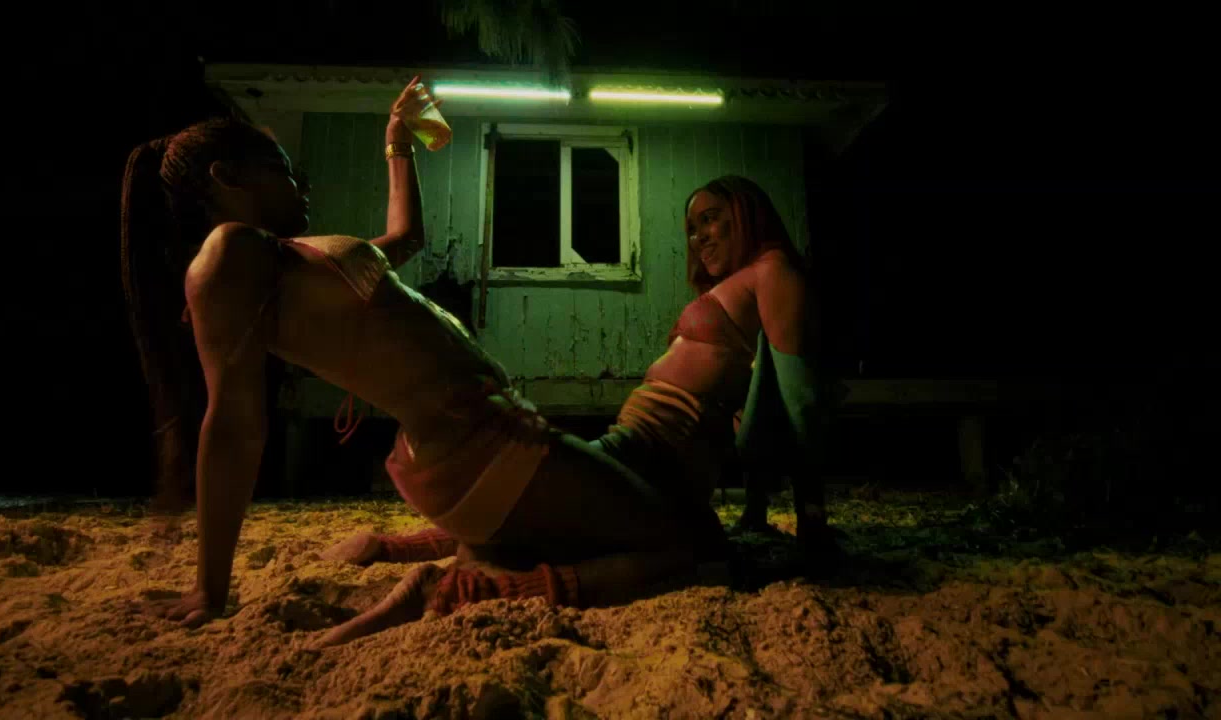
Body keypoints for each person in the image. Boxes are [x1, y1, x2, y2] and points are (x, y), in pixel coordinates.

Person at [120, 78, 728, 647]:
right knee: (685, 544)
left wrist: (398, 142)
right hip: (478, 446)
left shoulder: (287, 260)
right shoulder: (226, 253)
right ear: (227, 177)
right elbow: (234, 424)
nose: (302, 184)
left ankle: (468, 563)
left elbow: (407, 237)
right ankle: (470, 589)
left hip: (478, 439)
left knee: (636, 519)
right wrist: (210, 588)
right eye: (284, 170)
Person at [325, 175, 838, 573]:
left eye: (711, 219)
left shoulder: (773, 271)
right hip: (637, 441)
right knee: (539, 491)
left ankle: (392, 549)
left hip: (664, 453)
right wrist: (754, 511)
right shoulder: (744, 280)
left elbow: (799, 397)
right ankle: (394, 548)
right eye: (691, 228)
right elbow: (758, 390)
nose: (699, 237)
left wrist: (811, 517)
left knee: (543, 497)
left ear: (746, 212)